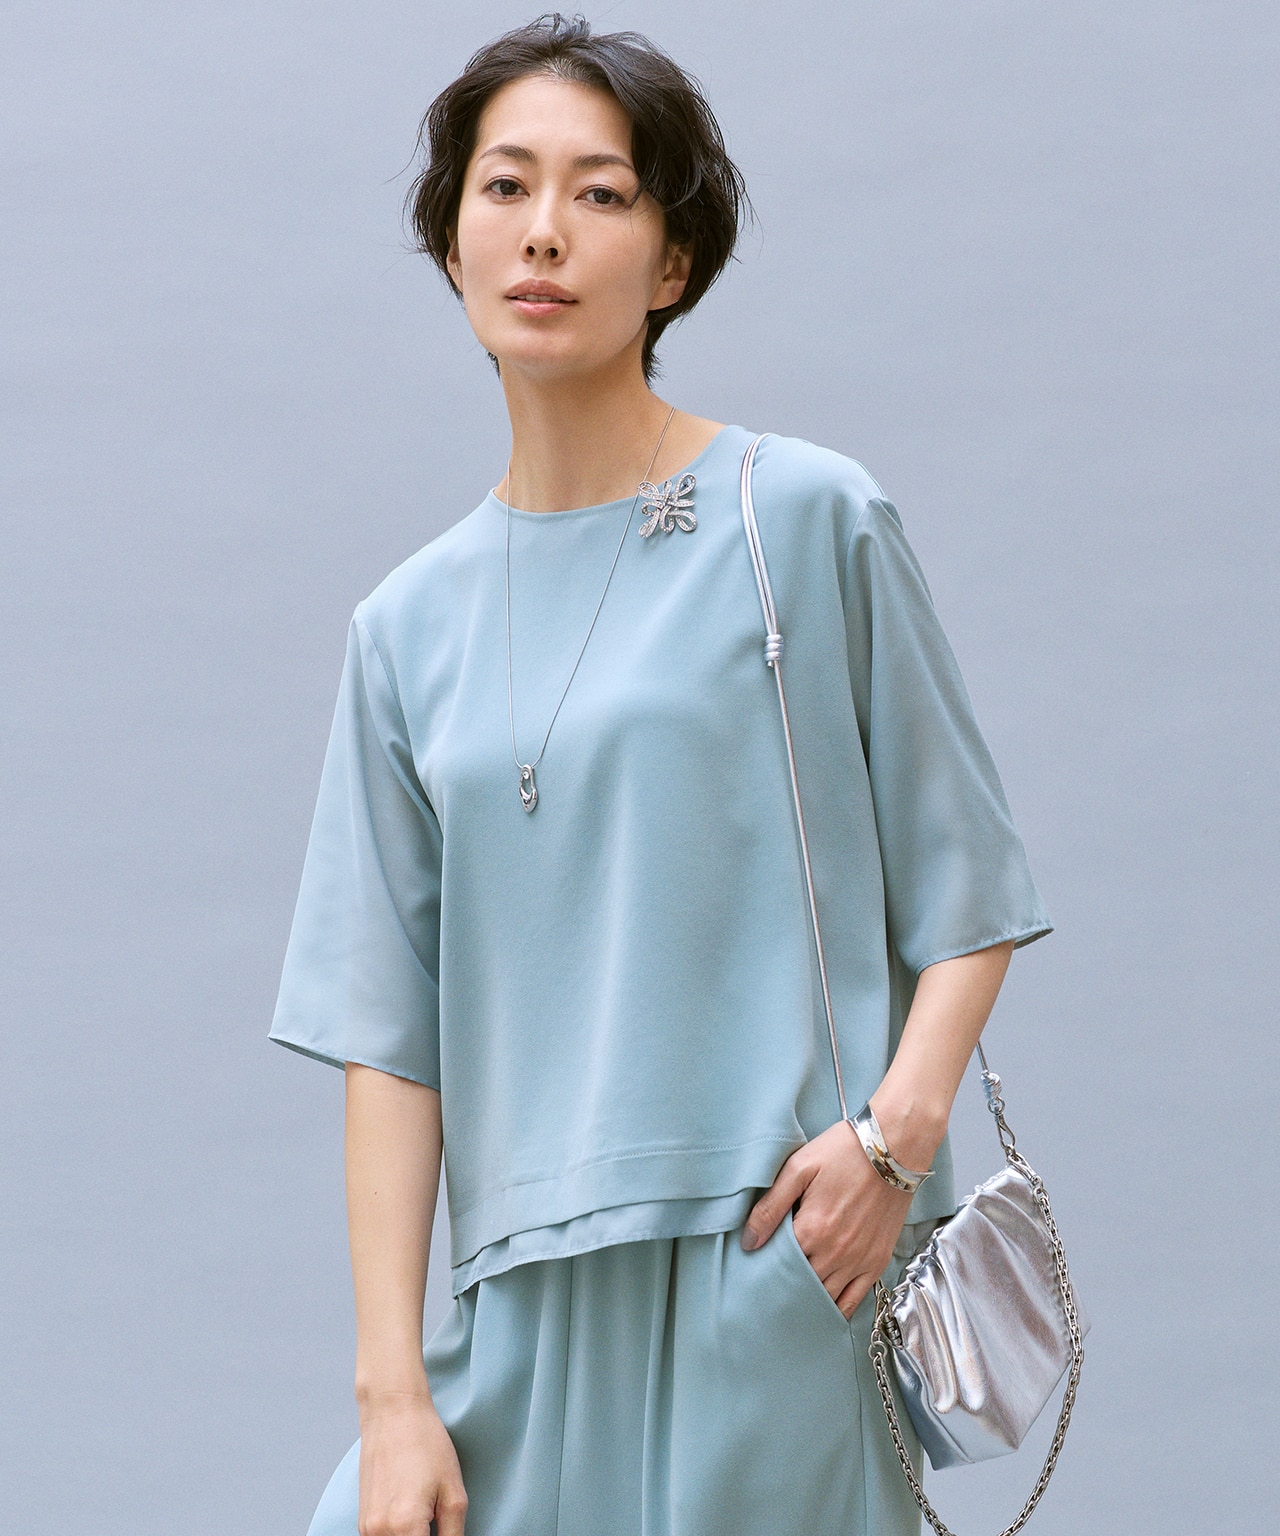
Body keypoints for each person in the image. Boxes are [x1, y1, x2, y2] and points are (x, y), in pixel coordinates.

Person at [268, 13, 1053, 1536]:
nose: (544, 231)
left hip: (776, 1260)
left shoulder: (801, 519)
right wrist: (391, 1396)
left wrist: (891, 1145)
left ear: (675, 260)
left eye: (603, 193)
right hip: (521, 1297)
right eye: (505, 187)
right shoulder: (405, 627)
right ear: (450, 243)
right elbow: (387, 1039)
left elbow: (971, 887)